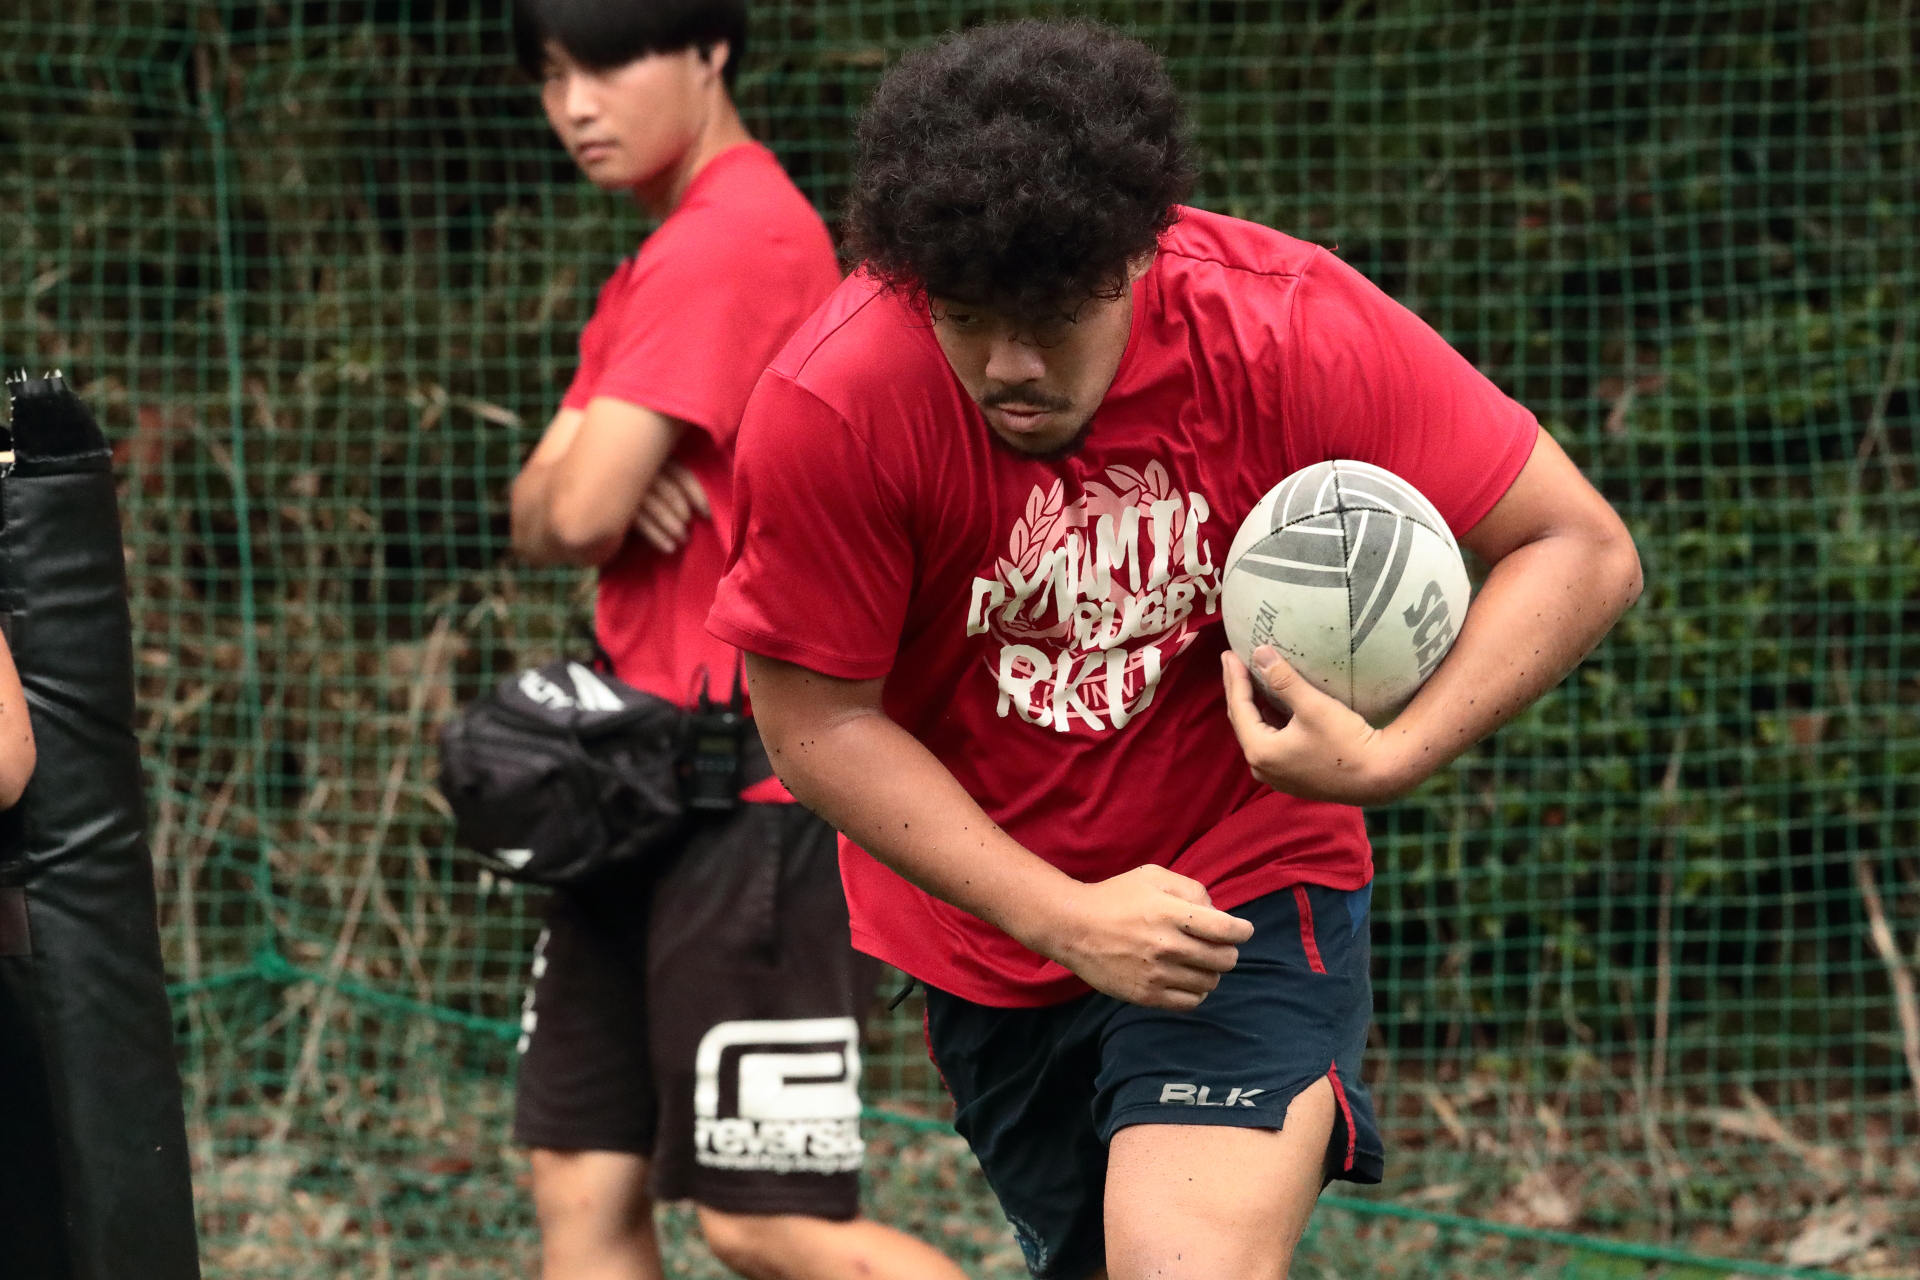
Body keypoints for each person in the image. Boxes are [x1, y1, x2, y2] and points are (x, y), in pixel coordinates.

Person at [709, 20, 1643, 1280]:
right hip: (994, 936)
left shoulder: (1286, 325)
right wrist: (1064, 915)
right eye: (967, 319)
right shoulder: (836, 399)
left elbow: (1580, 546)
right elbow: (818, 722)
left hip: (1245, 876)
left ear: (1138, 256)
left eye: (1053, 319)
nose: (1010, 366)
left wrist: (1393, 754)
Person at [504, 2, 968, 1277]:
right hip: (628, 782)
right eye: (552, 74)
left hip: (753, 792)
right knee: (584, 1184)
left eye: (610, 61)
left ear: (711, 49)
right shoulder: (663, 252)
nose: (576, 103)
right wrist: (583, 485)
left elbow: (576, 508)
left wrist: (587, 481)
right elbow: (537, 511)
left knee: (765, 1217)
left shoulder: (734, 238)